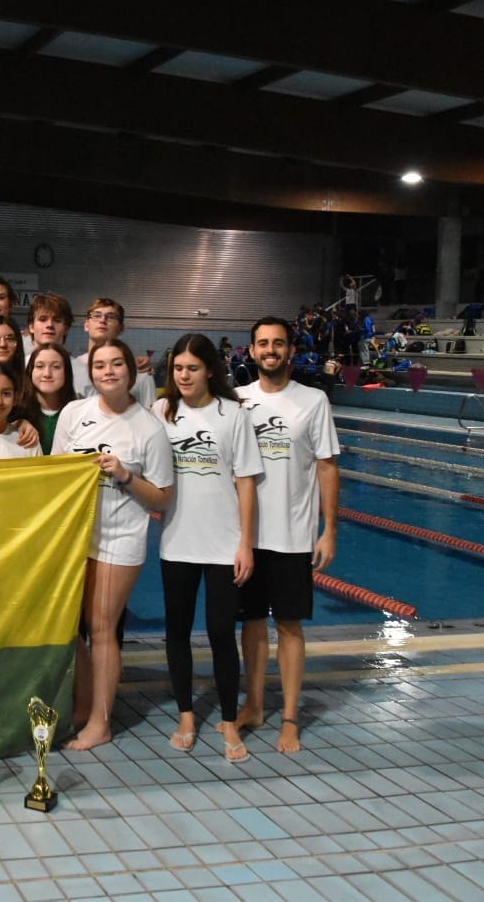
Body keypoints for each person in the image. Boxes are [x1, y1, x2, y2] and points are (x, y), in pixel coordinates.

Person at [53, 340, 174, 750]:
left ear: (132, 371)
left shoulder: (148, 428)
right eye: (100, 365)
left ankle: (101, 723)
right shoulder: (75, 413)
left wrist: (124, 475)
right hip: (76, 537)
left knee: (102, 629)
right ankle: (85, 706)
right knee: (72, 629)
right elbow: (54, 474)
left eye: (116, 364)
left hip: (118, 539)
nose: (107, 372)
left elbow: (161, 497)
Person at [153, 333, 262, 763]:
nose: (183, 375)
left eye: (192, 368)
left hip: (223, 544)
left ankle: (230, 721)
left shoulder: (233, 414)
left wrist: (246, 544)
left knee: (220, 633)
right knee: (176, 633)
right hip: (177, 540)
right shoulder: (160, 411)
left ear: (210, 370)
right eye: (178, 368)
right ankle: (185, 715)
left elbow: (246, 481)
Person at [234, 317, 340, 754]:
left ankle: (291, 717)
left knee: (290, 626)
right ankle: (255, 705)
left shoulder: (313, 401)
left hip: (294, 536)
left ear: (291, 351)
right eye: (263, 344)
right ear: (252, 351)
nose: (270, 350)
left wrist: (329, 530)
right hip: (246, 537)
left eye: (278, 343)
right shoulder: (236, 400)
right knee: (252, 624)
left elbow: (327, 466)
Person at [74, 299, 156, 405]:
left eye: (111, 317)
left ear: (121, 328)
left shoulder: (140, 371)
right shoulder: (71, 367)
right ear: (86, 325)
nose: (102, 320)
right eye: (96, 316)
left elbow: (151, 416)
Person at [21, 342, 75, 449]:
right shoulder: (17, 413)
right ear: (31, 371)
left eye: (56, 367)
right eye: (40, 366)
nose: (47, 374)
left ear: (66, 372)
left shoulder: (78, 413)